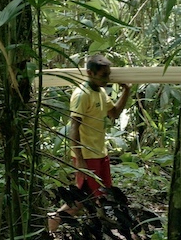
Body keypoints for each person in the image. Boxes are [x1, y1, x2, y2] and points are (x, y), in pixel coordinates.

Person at [47, 54, 131, 232]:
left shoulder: (99, 92)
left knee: (101, 196)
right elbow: (73, 128)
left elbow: (113, 113)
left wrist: (126, 91)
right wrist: (81, 161)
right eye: (103, 75)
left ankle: (96, 229)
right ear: (90, 73)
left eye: (108, 75)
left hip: (100, 153)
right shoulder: (82, 94)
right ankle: (52, 224)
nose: (107, 79)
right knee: (82, 199)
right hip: (87, 155)